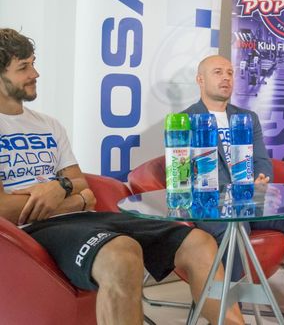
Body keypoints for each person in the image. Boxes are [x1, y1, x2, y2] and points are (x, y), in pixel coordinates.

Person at [0, 28, 243, 325]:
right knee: (122, 254)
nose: (35, 73)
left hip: (84, 219)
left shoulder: (49, 124)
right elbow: (4, 210)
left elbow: (84, 190)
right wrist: (72, 197)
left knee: (200, 242)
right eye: (23, 67)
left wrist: (57, 188)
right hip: (31, 233)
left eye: (33, 63)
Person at [183, 55, 284, 325]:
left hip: (250, 199)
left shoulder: (246, 117)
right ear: (200, 80)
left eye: (230, 72)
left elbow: (261, 160)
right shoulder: (185, 120)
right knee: (237, 227)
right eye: (217, 72)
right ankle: (229, 309)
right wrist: (234, 193)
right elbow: (189, 173)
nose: (226, 77)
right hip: (212, 205)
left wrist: (261, 179)